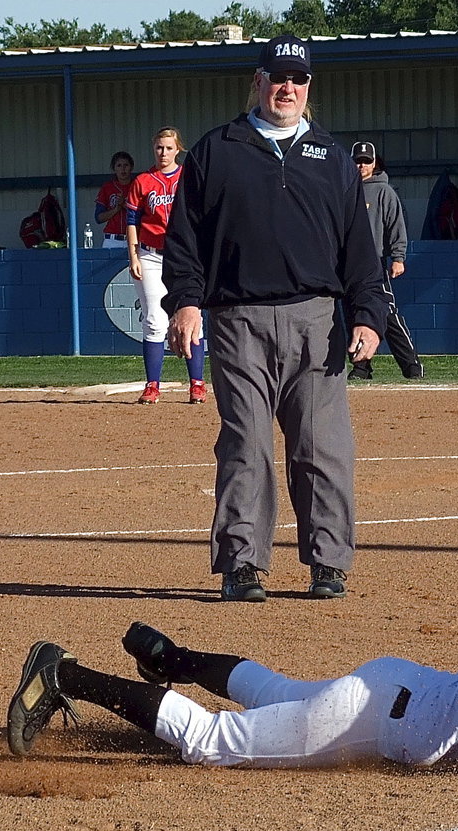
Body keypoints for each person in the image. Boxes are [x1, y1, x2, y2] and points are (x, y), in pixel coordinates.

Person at [5, 555, 458, 776]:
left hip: (393, 691)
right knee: (213, 743)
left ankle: (175, 658)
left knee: (276, 694)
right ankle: (64, 673)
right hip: (377, 720)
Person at [161, 36, 388, 602]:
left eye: (300, 79)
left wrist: (369, 315)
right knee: (245, 444)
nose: (289, 88)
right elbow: (184, 240)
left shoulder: (332, 157)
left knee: (322, 447)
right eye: (278, 77)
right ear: (257, 81)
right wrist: (185, 301)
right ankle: (242, 564)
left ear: (309, 87)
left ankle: (329, 563)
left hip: (318, 323)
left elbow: (358, 249)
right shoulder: (217, 150)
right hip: (238, 321)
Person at [126, 127, 206, 406]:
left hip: (184, 255)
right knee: (155, 320)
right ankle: (152, 385)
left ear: (178, 149)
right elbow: (132, 221)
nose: (163, 153)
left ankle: (197, 384)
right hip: (150, 254)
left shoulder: (188, 177)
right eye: (159, 147)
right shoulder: (143, 181)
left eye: (169, 148)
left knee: (192, 320)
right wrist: (133, 256)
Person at [348, 141, 423, 381]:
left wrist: (398, 257)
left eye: (367, 161)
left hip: (374, 263)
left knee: (387, 313)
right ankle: (361, 367)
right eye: (357, 161)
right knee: (354, 315)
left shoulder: (384, 191)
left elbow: (396, 226)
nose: (362, 166)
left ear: (375, 163)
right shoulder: (345, 190)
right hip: (347, 265)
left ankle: (411, 366)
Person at [94, 151, 134, 249]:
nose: (123, 169)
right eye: (119, 165)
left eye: (126, 165)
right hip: (112, 240)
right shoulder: (107, 187)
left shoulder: (137, 186)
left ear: (131, 167)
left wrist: (124, 204)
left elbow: (144, 215)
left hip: (134, 238)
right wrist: (116, 209)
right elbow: (98, 218)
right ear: (114, 168)